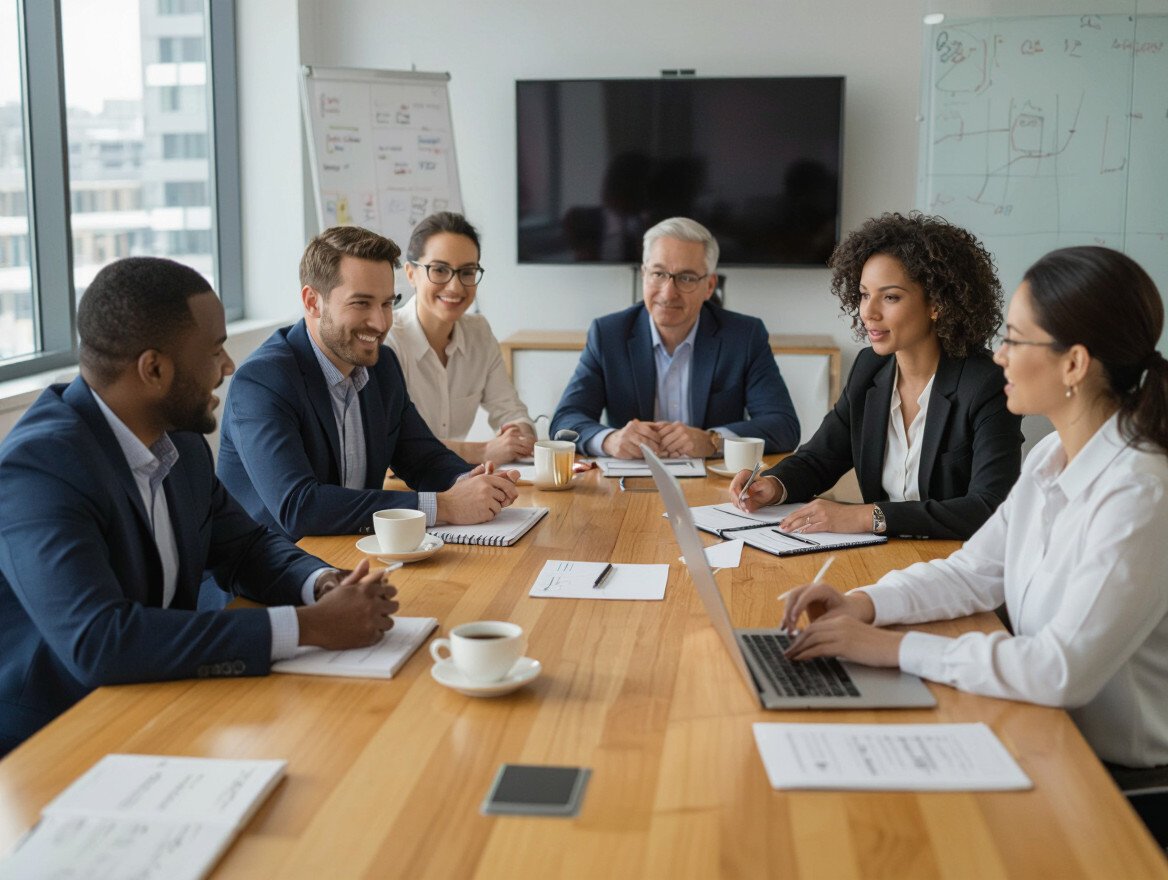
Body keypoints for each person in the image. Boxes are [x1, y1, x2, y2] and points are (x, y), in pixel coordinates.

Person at [782, 246, 1168, 771]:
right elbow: (973, 572)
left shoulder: (1140, 494)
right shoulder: (1051, 457)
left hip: (1113, 779)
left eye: (1014, 338)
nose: (1001, 355)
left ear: (1074, 363)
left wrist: (892, 649)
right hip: (1042, 731)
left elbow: (1060, 670)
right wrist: (863, 604)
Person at [0, 257, 398, 754]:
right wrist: (308, 627)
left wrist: (320, 585)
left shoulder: (179, 442)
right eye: (214, 351)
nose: (229, 367)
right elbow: (101, 642)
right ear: (154, 369)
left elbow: (245, 547)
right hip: (54, 736)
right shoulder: (40, 468)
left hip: (162, 698)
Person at [731, 212, 1023, 540]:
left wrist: (866, 516)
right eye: (864, 294)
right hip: (883, 556)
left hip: (955, 563)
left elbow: (989, 506)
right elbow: (820, 457)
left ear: (936, 303)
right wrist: (773, 485)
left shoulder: (985, 384)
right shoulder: (870, 368)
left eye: (890, 297)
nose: (869, 311)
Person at [217, 226, 519, 542]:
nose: (380, 323)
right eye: (362, 303)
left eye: (388, 303)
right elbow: (299, 508)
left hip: (355, 554)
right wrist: (442, 506)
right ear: (312, 302)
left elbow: (423, 457)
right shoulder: (263, 381)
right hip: (273, 574)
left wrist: (470, 481)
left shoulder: (382, 366)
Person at [550, 216, 800, 459]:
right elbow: (564, 422)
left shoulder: (744, 336)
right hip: (629, 482)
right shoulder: (608, 335)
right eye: (658, 274)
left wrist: (713, 441)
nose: (669, 293)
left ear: (710, 285)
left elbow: (784, 425)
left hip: (716, 486)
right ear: (644, 274)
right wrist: (610, 440)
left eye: (686, 278)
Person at [388, 212, 536, 465]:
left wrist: (517, 434)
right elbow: (393, 447)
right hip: (400, 491)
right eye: (440, 270)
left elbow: (510, 410)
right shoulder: (389, 341)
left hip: (456, 480)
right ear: (411, 273)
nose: (455, 287)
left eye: (467, 272)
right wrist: (483, 452)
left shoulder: (478, 332)